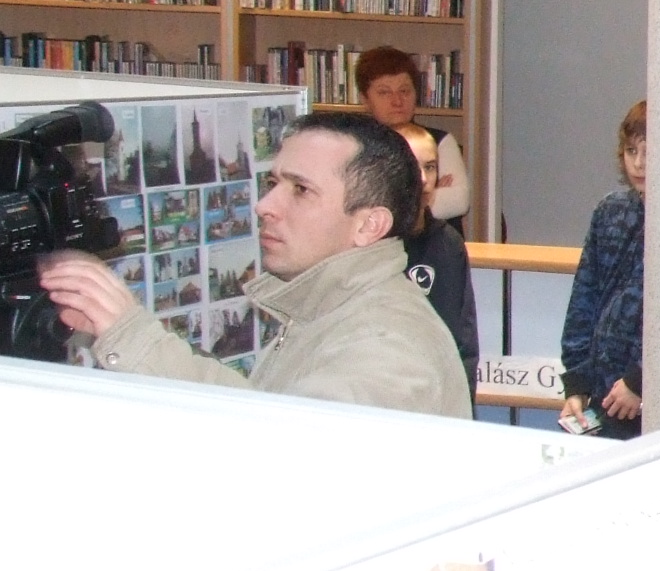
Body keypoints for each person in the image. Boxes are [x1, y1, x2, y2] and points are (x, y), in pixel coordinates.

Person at [39, 111, 471, 417]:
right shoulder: (335, 307)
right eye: (272, 182)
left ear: (369, 225)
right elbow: (258, 408)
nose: (265, 205)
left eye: (300, 189)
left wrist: (133, 336)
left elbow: (274, 453)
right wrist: (123, 330)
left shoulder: (384, 347)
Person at [560, 101, 647, 441]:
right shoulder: (610, 211)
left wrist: (639, 380)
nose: (638, 163)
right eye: (631, 151)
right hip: (603, 391)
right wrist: (577, 383)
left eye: (650, 152)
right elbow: (584, 297)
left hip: (653, 396)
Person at [396, 121, 479, 393]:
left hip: (438, 391)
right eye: (411, 165)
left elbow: (463, 339)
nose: (422, 178)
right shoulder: (366, 241)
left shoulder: (448, 243)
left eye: (430, 167)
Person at [356, 46, 469, 224]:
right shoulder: (355, 145)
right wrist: (425, 197)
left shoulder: (440, 141)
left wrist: (381, 203)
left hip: (435, 241)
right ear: (365, 99)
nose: (397, 101)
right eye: (384, 92)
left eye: (404, 91)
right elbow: (350, 210)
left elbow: (458, 201)